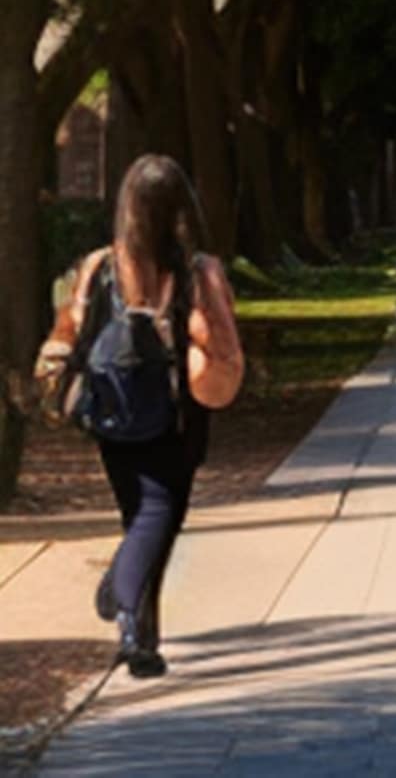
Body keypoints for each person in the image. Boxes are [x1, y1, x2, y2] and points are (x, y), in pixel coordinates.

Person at [33, 155, 245, 680]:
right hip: (176, 415)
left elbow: (73, 326)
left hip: (111, 411)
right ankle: (125, 605)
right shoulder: (198, 270)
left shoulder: (98, 265)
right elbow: (221, 344)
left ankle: (141, 636)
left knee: (140, 517)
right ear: (182, 207)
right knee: (158, 517)